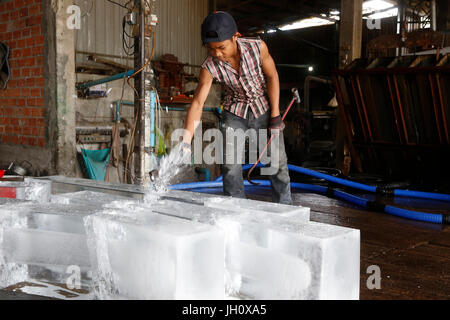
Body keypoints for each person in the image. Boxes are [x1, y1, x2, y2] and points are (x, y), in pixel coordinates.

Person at [181, 11, 292, 204]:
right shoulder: (209, 67)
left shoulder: (257, 48)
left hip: (263, 108)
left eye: (221, 47)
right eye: (210, 48)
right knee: (230, 166)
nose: (216, 53)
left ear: (235, 37)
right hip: (234, 113)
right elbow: (198, 103)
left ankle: (285, 208)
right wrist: (185, 141)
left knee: (277, 163)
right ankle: (236, 210)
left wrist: (275, 115)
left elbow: (272, 76)